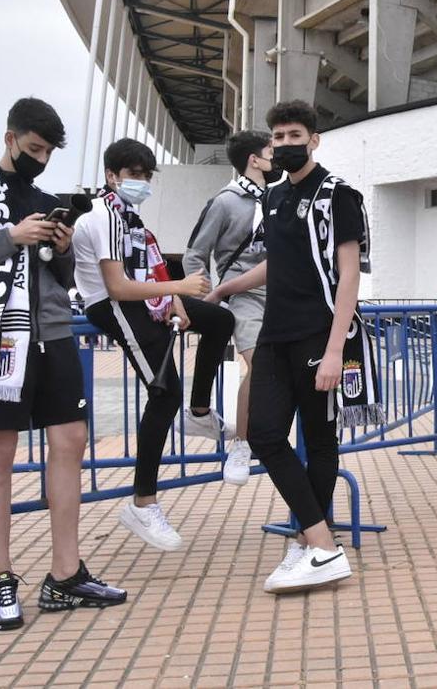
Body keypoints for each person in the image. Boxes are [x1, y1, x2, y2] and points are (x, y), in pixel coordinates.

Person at [0, 98, 125, 632]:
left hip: (55, 332)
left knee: (71, 441)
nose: (40, 158)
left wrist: (60, 248)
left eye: (48, 151)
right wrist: (9, 238)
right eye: (34, 148)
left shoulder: (43, 197)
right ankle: (2, 578)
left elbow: (59, 279)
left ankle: (65, 574)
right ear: (10, 137)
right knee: (1, 450)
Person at [207, 101, 381, 593]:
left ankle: (315, 545)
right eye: (277, 137)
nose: (284, 144)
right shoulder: (274, 197)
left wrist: (333, 351)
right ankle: (320, 541)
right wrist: (230, 287)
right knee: (263, 434)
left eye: (293, 135)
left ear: (315, 139)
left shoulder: (338, 196)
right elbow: (279, 263)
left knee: (322, 442)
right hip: (274, 333)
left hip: (320, 334)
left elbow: (350, 276)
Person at [72, 139, 231, 552]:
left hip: (143, 301)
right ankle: (143, 502)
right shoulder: (103, 216)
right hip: (116, 306)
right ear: (111, 176)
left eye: (145, 176)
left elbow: (147, 269)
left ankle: (198, 412)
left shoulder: (132, 220)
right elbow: (118, 286)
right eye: (133, 175)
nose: (140, 183)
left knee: (220, 320)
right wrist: (180, 285)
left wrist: (176, 300)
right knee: (163, 394)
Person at [183, 130, 276, 485]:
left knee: (276, 367)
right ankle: (241, 444)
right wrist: (205, 294)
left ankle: (262, 435)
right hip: (243, 296)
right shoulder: (226, 201)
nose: (276, 158)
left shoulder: (277, 198)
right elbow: (196, 252)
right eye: (270, 151)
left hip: (279, 294)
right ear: (254, 159)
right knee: (259, 362)